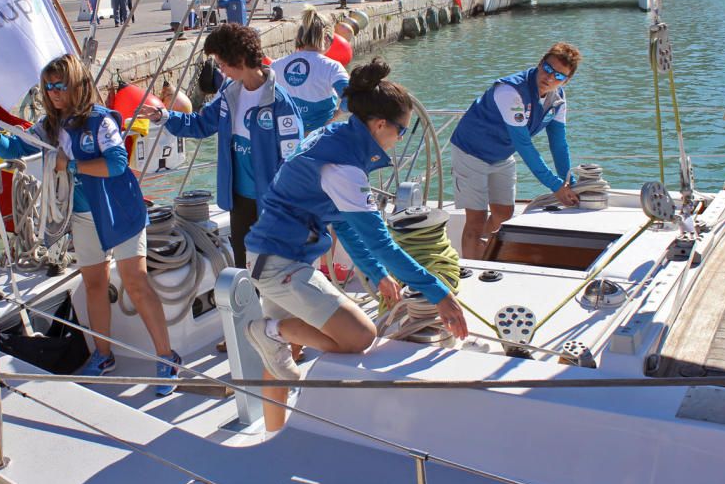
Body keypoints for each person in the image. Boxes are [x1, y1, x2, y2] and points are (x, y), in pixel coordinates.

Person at [242, 58, 470, 430]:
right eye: (400, 130)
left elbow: (343, 225)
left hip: (272, 259)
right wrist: (439, 294)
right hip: (282, 265)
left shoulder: (334, 139)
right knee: (358, 336)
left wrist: (377, 274)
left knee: (279, 355)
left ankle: (275, 435)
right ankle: (266, 331)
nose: (400, 138)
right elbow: (382, 243)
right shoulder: (344, 167)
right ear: (379, 125)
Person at [0, 54, 181, 393]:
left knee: (136, 282)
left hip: (119, 211)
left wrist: (68, 165)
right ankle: (103, 355)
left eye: (60, 86)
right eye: (49, 86)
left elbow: (115, 164)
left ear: (79, 86)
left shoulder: (101, 122)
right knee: (94, 284)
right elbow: (18, 149)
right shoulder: (49, 126)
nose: (54, 93)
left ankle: (167, 358)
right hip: (83, 215)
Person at [138, 23, 303, 270]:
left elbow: (294, 161)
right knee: (242, 267)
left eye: (222, 63)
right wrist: (163, 117)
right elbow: (201, 124)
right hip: (238, 200)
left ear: (239, 58)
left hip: (271, 204)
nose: (221, 70)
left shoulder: (280, 103)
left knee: (272, 270)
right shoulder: (229, 93)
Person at [449, 42, 582, 259]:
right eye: (548, 69)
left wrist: (570, 181)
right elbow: (524, 145)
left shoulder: (557, 99)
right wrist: (555, 186)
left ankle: (481, 252)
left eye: (558, 76)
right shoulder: (511, 91)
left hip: (501, 154)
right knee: (476, 219)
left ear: (566, 81)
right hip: (470, 152)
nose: (550, 78)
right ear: (540, 64)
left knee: (503, 215)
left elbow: (558, 143)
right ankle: (473, 264)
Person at [269, 5, 349, 132]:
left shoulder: (276, 65)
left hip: (287, 136)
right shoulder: (332, 67)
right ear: (327, 39)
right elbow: (350, 99)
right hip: (320, 136)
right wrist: (335, 116)